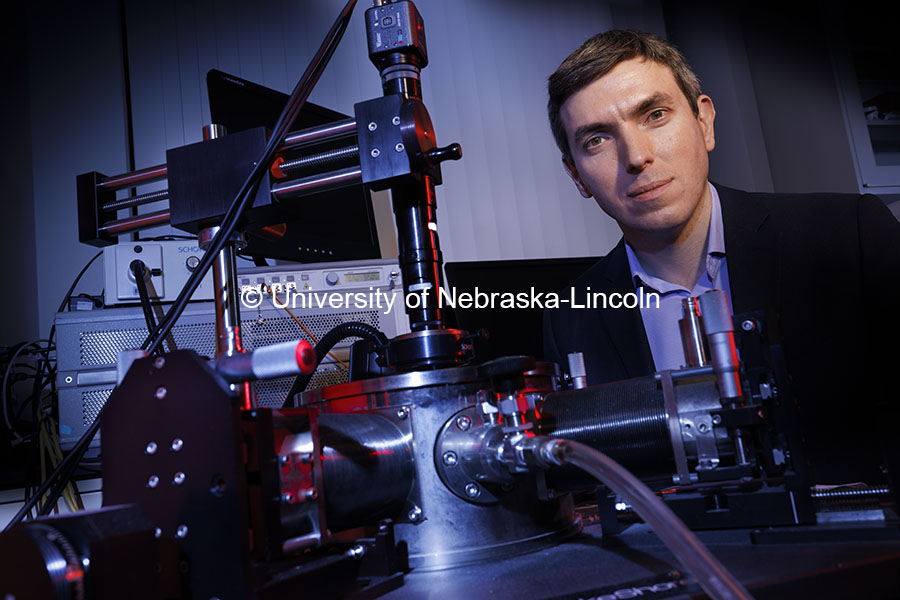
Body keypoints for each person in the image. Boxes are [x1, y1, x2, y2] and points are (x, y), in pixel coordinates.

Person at [541, 30, 900, 484]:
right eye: (597, 140)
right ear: (576, 176)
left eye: (654, 114)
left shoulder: (848, 235)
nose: (636, 156)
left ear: (703, 121)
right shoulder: (571, 316)